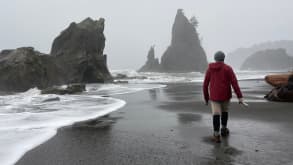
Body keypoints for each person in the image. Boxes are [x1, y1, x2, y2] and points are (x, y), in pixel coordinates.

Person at [203, 51, 244, 143]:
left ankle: (216, 135)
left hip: (214, 96)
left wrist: (206, 98)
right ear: (223, 58)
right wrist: (240, 97)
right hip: (226, 95)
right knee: (225, 112)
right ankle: (224, 129)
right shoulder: (228, 68)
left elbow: (205, 84)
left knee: (216, 114)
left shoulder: (210, 69)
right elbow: (234, 83)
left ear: (215, 58)